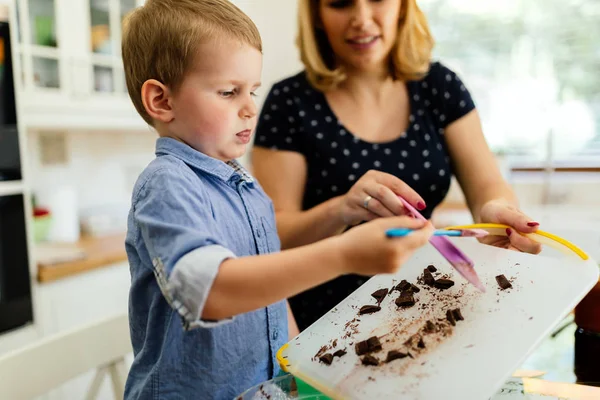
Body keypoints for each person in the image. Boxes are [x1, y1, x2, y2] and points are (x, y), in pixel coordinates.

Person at [121, 0, 434, 398]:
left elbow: (272, 297)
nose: (251, 108)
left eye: (252, 90)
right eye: (229, 92)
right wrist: (343, 254)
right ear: (161, 101)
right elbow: (209, 292)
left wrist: (301, 374)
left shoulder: (241, 184)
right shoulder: (168, 183)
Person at [252, 0, 542, 331]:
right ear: (317, 16)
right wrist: (342, 210)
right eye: (339, 3)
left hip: (428, 310)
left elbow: (487, 186)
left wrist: (496, 210)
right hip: (319, 326)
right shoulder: (289, 103)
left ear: (403, 7)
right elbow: (275, 237)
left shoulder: (440, 86)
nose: (361, 19)